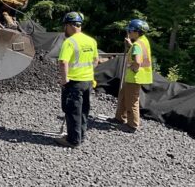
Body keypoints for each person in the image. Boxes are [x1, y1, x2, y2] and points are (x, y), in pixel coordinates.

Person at [56, 11, 99, 147]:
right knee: (83, 110)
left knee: (72, 111)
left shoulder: (69, 42)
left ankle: (72, 140)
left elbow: (63, 62)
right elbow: (96, 60)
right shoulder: (91, 41)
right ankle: (80, 136)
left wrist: (64, 80)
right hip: (87, 82)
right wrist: (87, 72)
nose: (64, 29)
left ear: (69, 25)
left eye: (65, 26)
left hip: (74, 82)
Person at [109, 19, 153, 133]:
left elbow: (137, 61)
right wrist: (130, 45)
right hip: (137, 76)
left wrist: (133, 68)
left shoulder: (137, 45)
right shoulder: (143, 41)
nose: (129, 32)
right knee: (124, 95)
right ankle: (120, 118)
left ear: (136, 32)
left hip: (135, 77)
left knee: (132, 100)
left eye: (130, 30)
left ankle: (132, 125)